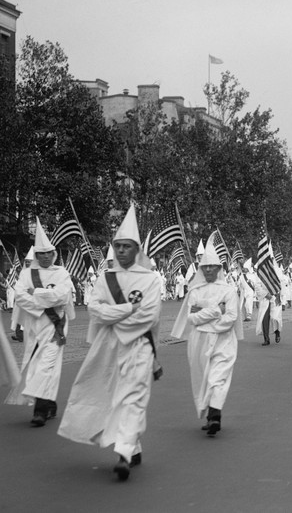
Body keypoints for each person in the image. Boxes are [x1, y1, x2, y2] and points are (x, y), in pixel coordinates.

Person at [58, 204, 163, 481]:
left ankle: (124, 453)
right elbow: (95, 309)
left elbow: (149, 317)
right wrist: (127, 310)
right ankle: (133, 444)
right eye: (117, 246)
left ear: (136, 249)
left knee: (133, 397)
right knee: (114, 395)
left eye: (126, 246)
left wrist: (114, 316)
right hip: (108, 348)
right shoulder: (106, 278)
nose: (121, 251)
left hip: (139, 346)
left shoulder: (151, 280)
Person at [5, 218, 75, 426]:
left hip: (55, 328)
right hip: (33, 329)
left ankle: (40, 411)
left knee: (46, 366)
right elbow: (20, 297)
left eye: (48, 253)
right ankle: (49, 403)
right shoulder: (27, 274)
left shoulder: (62, 273)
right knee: (37, 368)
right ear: (36, 255)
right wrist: (47, 296)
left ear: (54, 254)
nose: (45, 257)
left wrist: (36, 293)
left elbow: (63, 297)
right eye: (41, 254)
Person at [170, 241, 243, 436]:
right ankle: (210, 412)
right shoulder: (195, 291)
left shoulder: (228, 291)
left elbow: (231, 318)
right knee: (202, 378)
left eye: (213, 266)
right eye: (205, 266)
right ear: (201, 269)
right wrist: (216, 310)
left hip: (224, 340)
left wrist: (205, 315)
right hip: (199, 342)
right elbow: (191, 317)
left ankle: (214, 416)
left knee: (217, 378)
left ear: (219, 268)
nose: (209, 269)